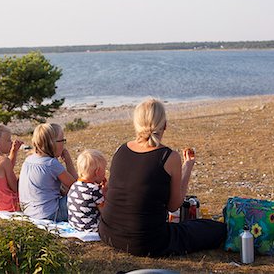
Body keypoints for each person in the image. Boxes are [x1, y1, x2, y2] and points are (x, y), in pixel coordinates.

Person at [99, 98, 226, 256]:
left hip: (107, 233)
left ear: (136, 124)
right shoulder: (169, 157)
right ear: (164, 125)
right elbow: (174, 205)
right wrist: (187, 167)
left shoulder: (121, 150)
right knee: (216, 229)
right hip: (146, 242)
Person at [19, 123, 78, 221]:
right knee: (86, 194)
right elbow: (76, 187)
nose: (63, 144)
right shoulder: (51, 164)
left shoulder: (28, 160)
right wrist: (68, 160)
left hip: (29, 212)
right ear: (52, 143)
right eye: (62, 140)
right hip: (50, 214)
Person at [68, 149, 107, 232]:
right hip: (90, 227)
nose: (105, 173)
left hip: (74, 224)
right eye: (104, 170)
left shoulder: (74, 185)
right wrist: (105, 194)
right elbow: (105, 212)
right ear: (97, 172)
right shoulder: (94, 190)